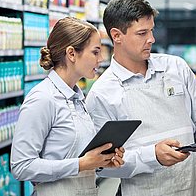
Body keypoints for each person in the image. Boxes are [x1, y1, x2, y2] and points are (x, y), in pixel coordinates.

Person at [85, 0, 196, 196]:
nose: (151, 39)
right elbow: (103, 163)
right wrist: (152, 156)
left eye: (151, 30)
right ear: (117, 36)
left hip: (192, 184)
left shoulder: (175, 68)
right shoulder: (102, 94)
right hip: (144, 191)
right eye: (142, 33)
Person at [11, 17, 125, 196]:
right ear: (71, 53)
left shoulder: (79, 99)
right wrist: (81, 164)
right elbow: (21, 166)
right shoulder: (43, 99)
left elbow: (78, 158)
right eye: (95, 52)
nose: (101, 59)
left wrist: (100, 162)